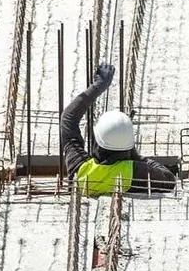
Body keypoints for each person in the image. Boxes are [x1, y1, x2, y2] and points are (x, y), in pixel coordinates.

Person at [60, 63, 176, 197]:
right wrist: (134, 155)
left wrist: (98, 86)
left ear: (97, 141)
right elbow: (169, 179)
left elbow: (68, 119)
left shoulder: (80, 170)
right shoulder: (135, 172)